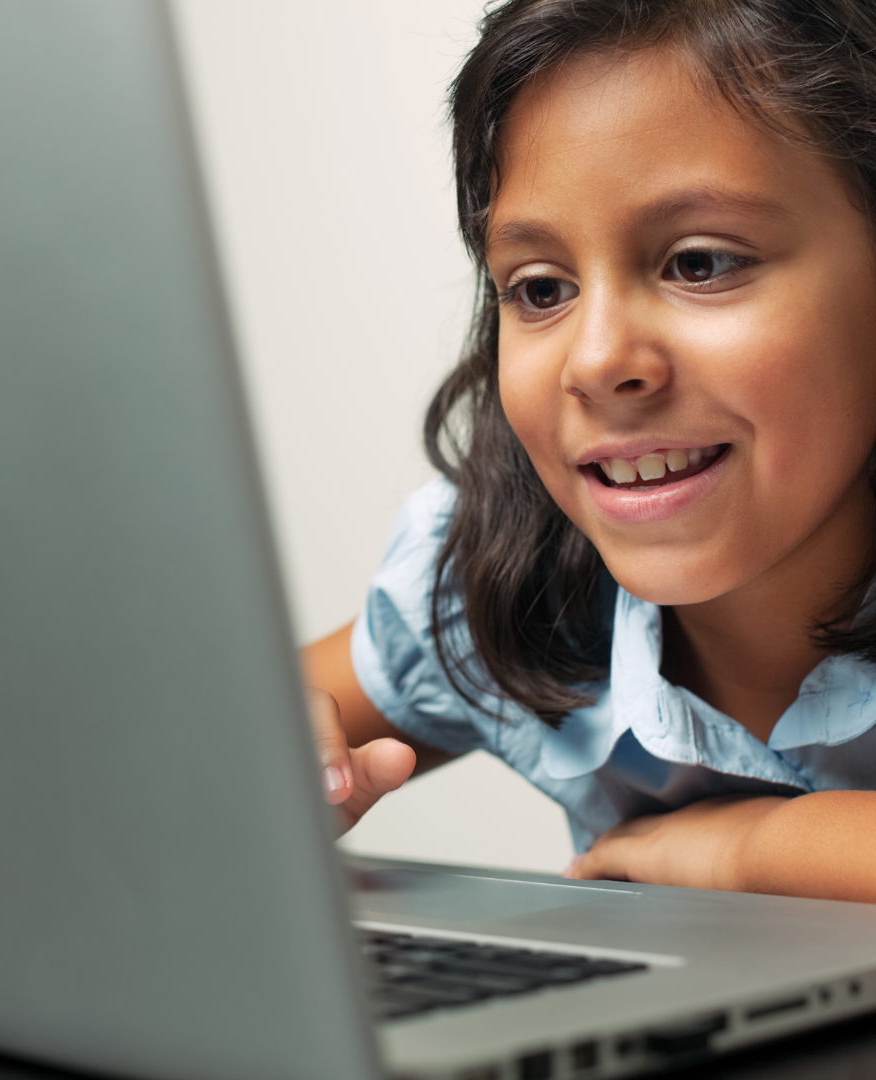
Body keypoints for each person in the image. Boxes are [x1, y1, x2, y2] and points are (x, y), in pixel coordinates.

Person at [301, 0, 876, 903]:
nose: (600, 360)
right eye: (540, 289)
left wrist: (751, 847)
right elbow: (228, 733)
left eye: (700, 263)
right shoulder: (505, 578)